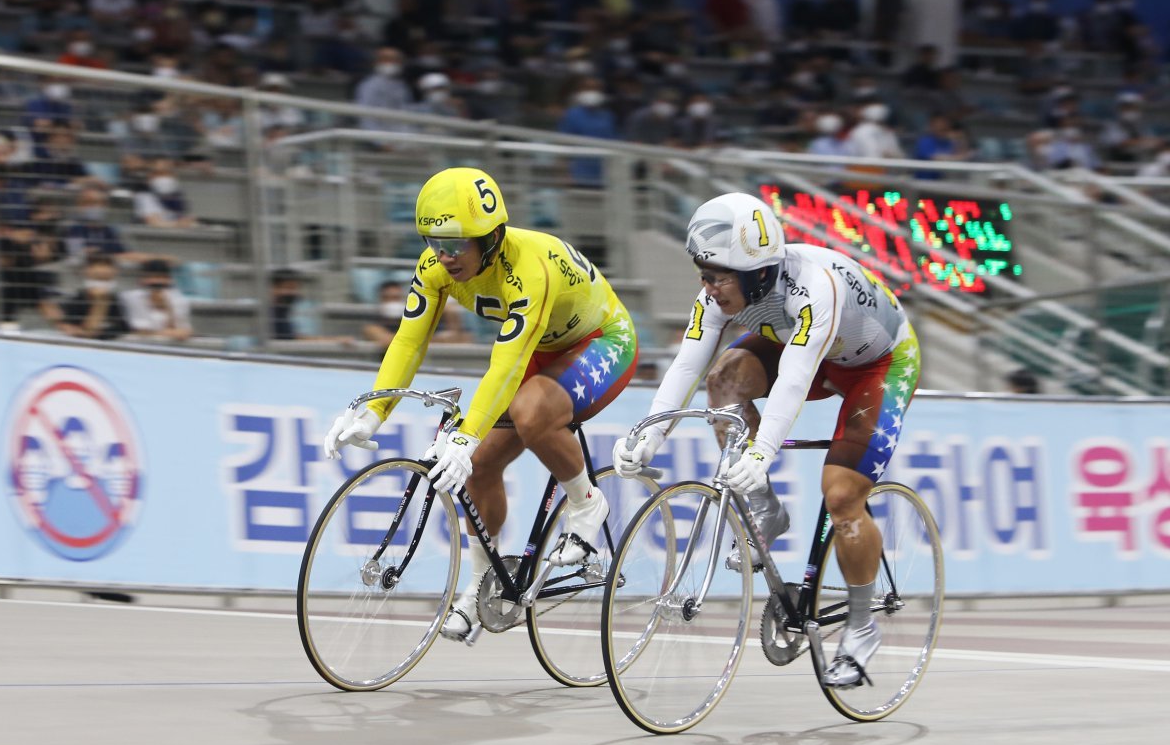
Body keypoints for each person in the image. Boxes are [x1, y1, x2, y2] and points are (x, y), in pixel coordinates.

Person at [612, 192, 921, 689]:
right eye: (702, 274)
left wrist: (761, 453)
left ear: (758, 273)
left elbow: (795, 382)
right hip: (809, 349)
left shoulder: (812, 288)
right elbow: (688, 364)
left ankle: (861, 629)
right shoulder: (723, 291)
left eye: (716, 276)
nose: (707, 287)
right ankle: (765, 509)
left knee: (843, 497)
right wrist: (651, 432)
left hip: (877, 365)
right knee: (723, 381)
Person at [323, 168, 638, 643]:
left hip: (601, 339)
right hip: (539, 349)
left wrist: (465, 435)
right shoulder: (433, 270)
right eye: (434, 242)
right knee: (479, 468)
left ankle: (587, 503)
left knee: (531, 413)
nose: (444, 256)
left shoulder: (528, 268)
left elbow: (507, 363)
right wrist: (373, 410)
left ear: (491, 237)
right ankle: (477, 589)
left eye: (456, 244)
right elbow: (408, 343)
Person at [121, 258, 193, 341]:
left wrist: (167, 308)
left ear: (169, 280)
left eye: (161, 277)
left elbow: (183, 331)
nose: (156, 281)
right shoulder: (131, 297)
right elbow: (140, 331)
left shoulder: (179, 299)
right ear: (142, 279)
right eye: (151, 277)